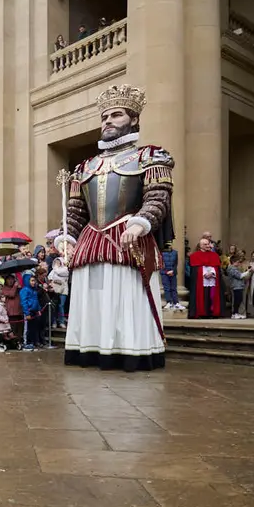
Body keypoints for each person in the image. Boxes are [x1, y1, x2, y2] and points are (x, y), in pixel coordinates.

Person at [63, 84, 174, 371]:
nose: (109, 121)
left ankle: (128, 352)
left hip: (128, 237)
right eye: (105, 117)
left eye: (116, 115)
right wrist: (67, 238)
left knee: (125, 298)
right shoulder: (84, 167)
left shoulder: (150, 156)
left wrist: (140, 224)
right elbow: (76, 211)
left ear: (134, 119)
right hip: (90, 241)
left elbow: (158, 197)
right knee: (92, 299)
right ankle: (91, 348)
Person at [188, 238, 223, 319]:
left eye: (208, 244)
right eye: (205, 244)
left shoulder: (215, 255)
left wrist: (212, 273)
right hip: (201, 281)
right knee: (202, 296)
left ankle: (212, 313)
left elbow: (217, 269)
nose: (208, 246)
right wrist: (203, 274)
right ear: (200, 246)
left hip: (212, 280)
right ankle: (201, 313)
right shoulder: (194, 256)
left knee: (212, 296)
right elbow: (194, 272)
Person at [226, 253, 251, 319]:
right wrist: (248, 271)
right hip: (236, 286)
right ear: (233, 262)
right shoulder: (231, 268)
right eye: (238, 262)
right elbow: (240, 276)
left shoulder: (234, 268)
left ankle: (235, 313)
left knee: (238, 300)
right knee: (237, 301)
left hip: (239, 286)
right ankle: (235, 313)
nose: (239, 264)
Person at [159, 242, 180, 311]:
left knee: (174, 288)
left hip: (173, 273)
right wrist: (166, 272)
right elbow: (160, 264)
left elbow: (175, 264)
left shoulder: (175, 253)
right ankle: (169, 302)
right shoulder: (161, 253)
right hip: (164, 273)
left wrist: (173, 271)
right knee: (167, 288)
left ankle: (176, 302)